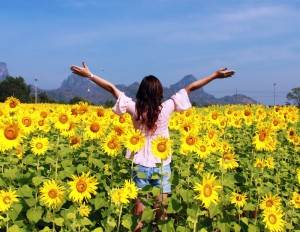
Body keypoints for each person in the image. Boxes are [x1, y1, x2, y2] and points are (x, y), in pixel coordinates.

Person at [70, 62, 235, 231]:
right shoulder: (167, 108)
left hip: (140, 165)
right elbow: (191, 87)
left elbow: (112, 88)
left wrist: (90, 75)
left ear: (141, 92)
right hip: (161, 165)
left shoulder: (134, 109)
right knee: (161, 214)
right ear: (160, 93)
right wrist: (215, 76)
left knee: (139, 214)